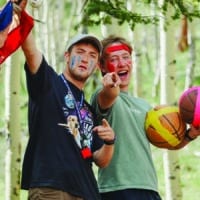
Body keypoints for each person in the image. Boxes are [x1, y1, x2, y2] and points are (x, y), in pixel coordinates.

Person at [12, 1, 115, 200]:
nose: (86, 59)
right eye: (80, 52)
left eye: (92, 55)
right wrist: (20, 15)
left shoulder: (88, 109)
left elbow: (101, 160)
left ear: (96, 66)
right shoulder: (48, 83)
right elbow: (31, 52)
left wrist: (110, 141)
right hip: (51, 188)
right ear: (67, 56)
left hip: (87, 193)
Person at [91, 35, 200, 200]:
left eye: (126, 57)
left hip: (149, 187)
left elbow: (171, 142)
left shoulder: (144, 106)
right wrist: (111, 85)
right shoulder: (102, 95)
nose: (121, 63)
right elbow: (109, 94)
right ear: (102, 66)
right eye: (114, 59)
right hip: (117, 189)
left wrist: (191, 134)